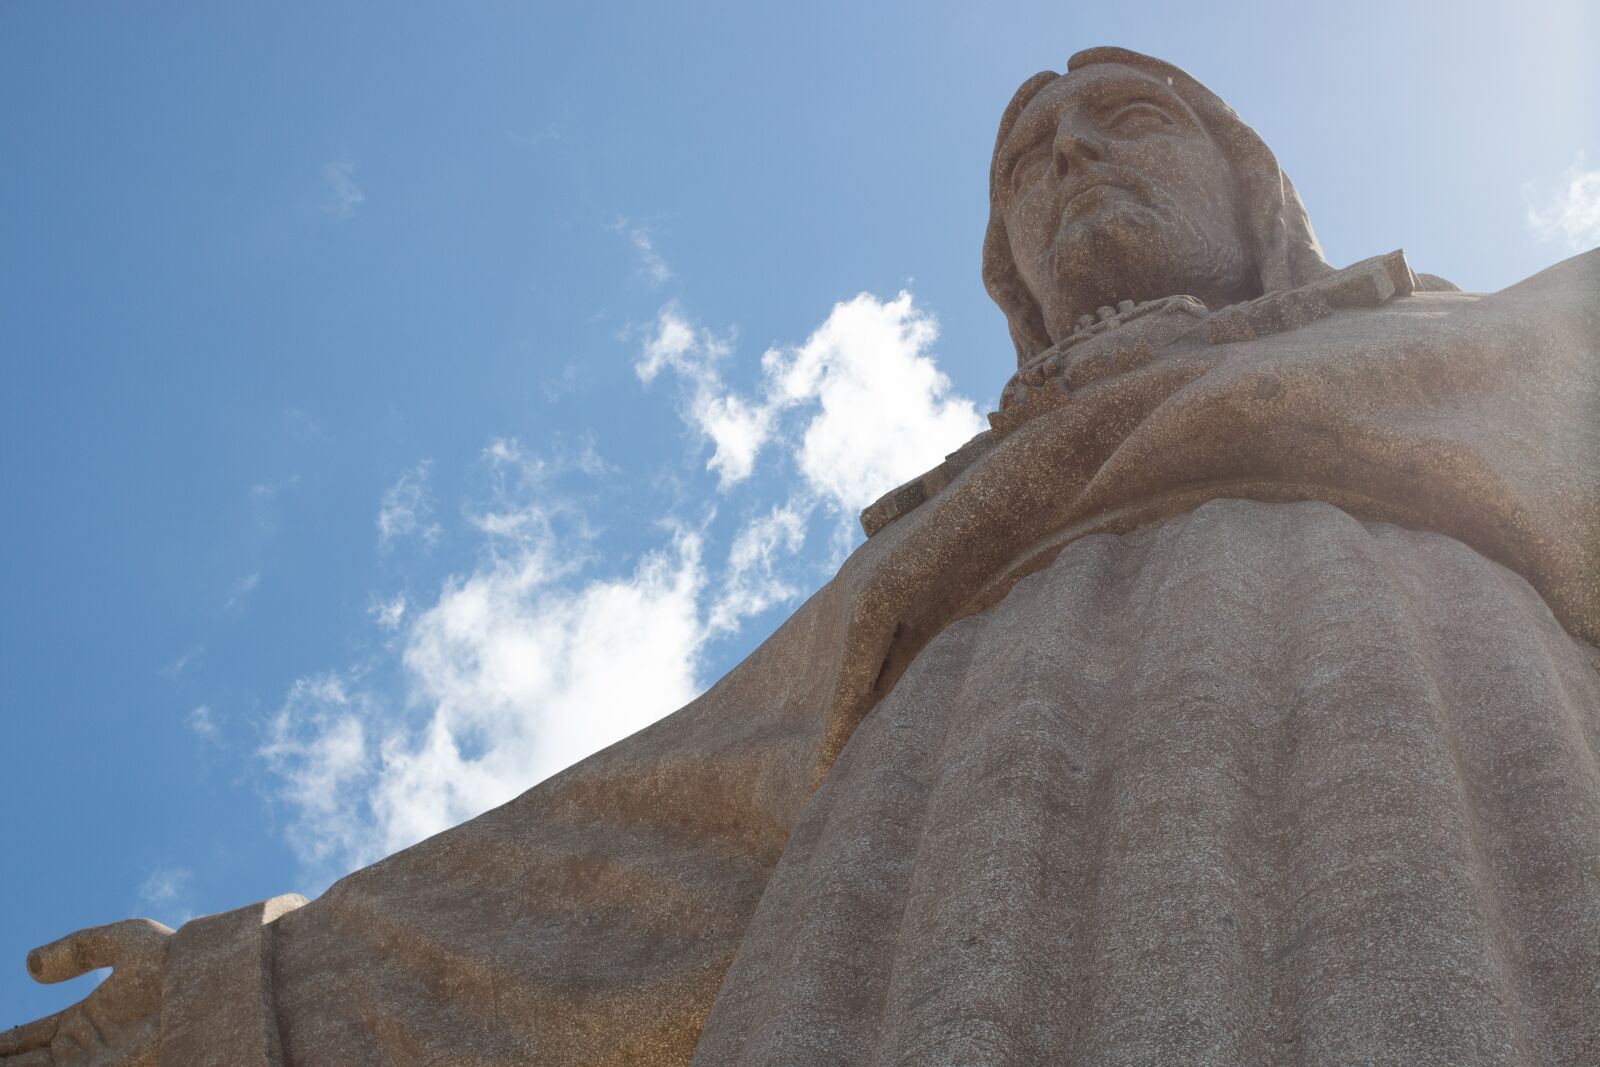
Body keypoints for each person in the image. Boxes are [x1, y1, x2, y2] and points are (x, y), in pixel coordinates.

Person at [6, 47, 1599, 1067]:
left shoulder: (1513, 351)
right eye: (1029, 159)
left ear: (1259, 190)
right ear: (1012, 276)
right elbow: (616, 855)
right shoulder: (919, 581)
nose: (1071, 161)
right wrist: (248, 993)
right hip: (934, 822)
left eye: (1126, 116)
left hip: (1441, 719)